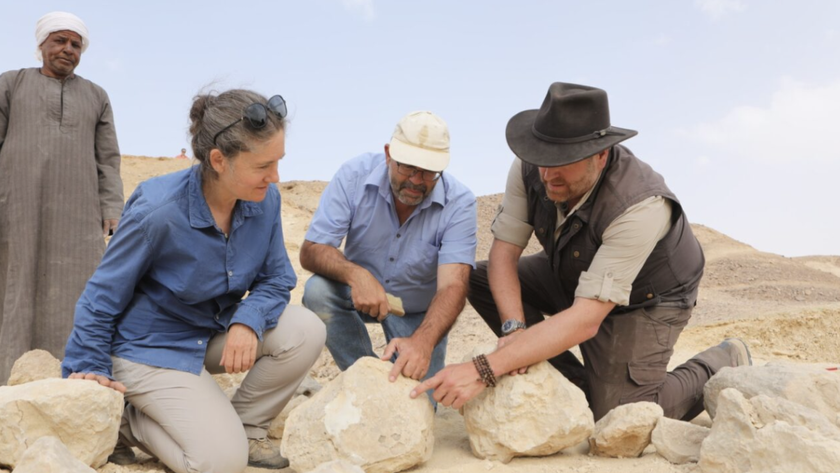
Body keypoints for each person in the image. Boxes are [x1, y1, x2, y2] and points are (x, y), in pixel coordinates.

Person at [413, 82, 751, 420]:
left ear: (600, 155)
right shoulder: (529, 166)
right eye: (542, 159)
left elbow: (586, 319)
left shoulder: (640, 204)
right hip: (574, 273)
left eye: (561, 162)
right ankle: (576, 390)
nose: (547, 175)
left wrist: (484, 368)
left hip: (646, 298)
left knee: (621, 415)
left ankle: (723, 361)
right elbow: (504, 254)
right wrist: (515, 332)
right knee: (481, 279)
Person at [61, 89, 326, 473]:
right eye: (262, 166)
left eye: (278, 162)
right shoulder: (157, 209)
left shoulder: (264, 199)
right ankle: (127, 421)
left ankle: (247, 428)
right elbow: (101, 295)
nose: (275, 177)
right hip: (148, 348)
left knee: (306, 329)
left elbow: (276, 279)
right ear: (218, 160)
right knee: (219, 464)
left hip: (209, 332)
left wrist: (247, 320)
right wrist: (90, 371)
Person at [300, 111, 477, 388]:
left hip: (419, 314)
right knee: (318, 292)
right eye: (408, 167)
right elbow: (312, 249)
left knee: (420, 401)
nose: (417, 181)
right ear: (388, 154)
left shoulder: (460, 203)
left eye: (429, 172)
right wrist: (358, 276)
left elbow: (453, 286)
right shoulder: (354, 175)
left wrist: (422, 342)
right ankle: (366, 380)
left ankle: (398, 382)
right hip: (357, 295)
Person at [0, 11, 124, 383]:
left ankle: (74, 376)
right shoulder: (11, 84)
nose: (68, 49)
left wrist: (112, 207)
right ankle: (10, 378)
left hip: (80, 214)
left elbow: (108, 158)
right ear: (42, 44)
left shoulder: (96, 96)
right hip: (16, 209)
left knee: (82, 287)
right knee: (15, 285)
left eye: (75, 44)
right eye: (60, 41)